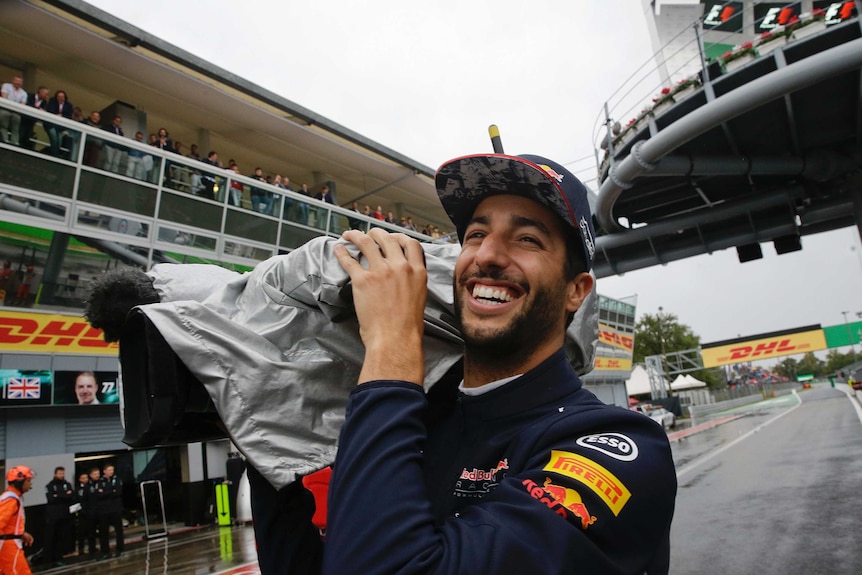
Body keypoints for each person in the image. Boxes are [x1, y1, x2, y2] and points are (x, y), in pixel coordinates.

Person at [319, 153, 676, 574]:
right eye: (475, 234)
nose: (486, 255)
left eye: (527, 239)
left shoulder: (623, 448)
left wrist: (393, 344)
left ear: (575, 290)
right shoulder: (409, 417)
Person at [0, 465, 35, 575]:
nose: (30, 484)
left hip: (10, 543)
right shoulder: (11, 500)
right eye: (28, 480)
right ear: (19, 482)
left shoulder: (12, 498)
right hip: (8, 547)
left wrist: (21, 533)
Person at [42, 467, 74, 567]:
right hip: (53, 516)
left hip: (64, 515)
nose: (62, 475)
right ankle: (49, 559)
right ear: (55, 474)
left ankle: (59, 558)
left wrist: (58, 495)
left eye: (63, 473)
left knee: (62, 537)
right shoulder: (50, 485)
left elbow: (71, 496)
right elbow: (51, 498)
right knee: (52, 538)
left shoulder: (67, 484)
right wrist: (64, 495)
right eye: (60, 473)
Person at [95, 464, 123, 559]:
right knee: (103, 532)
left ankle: (120, 549)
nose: (111, 472)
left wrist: (105, 492)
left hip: (116, 509)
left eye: (112, 470)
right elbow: (99, 495)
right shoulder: (99, 482)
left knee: (119, 530)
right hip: (104, 510)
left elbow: (118, 491)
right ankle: (105, 551)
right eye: (109, 470)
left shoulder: (117, 479)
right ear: (104, 471)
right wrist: (111, 491)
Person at [0, 75, 27, 146]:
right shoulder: (6, 86)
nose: (18, 83)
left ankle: (14, 143)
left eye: (20, 82)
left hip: (16, 112)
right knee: (3, 125)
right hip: (6, 109)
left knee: (15, 128)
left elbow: (22, 104)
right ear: (13, 81)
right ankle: (4, 140)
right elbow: (4, 98)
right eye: (17, 81)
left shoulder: (24, 93)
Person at [45, 90, 73, 157]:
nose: (60, 98)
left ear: (65, 97)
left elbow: (69, 116)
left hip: (60, 127)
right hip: (51, 125)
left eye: (62, 97)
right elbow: (50, 110)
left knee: (59, 141)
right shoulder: (52, 101)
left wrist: (62, 116)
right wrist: (56, 115)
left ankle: (55, 154)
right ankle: (55, 155)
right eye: (59, 96)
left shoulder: (69, 105)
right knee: (54, 137)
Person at [73, 472, 91, 557]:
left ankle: (92, 548)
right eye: (83, 478)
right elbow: (76, 500)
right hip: (81, 513)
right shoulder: (77, 489)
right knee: (82, 533)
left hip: (90, 512)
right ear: (80, 479)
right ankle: (81, 549)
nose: (85, 480)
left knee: (91, 531)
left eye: (86, 478)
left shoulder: (91, 487)